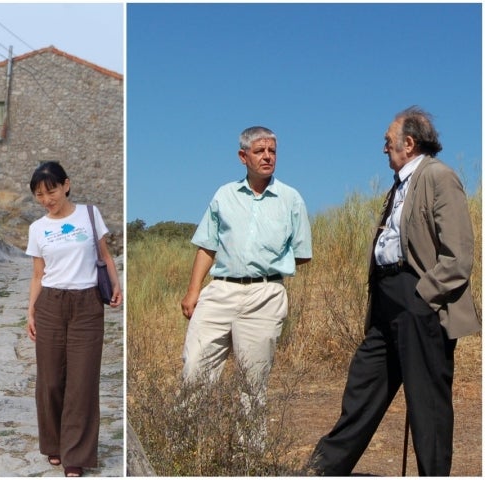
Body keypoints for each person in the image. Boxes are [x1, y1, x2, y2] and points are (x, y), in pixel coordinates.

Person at [308, 107, 480, 476]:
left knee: (427, 403)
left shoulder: (439, 177)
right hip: (386, 300)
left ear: (409, 143)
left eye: (388, 141)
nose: (383, 147)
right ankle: (324, 470)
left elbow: (459, 254)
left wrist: (423, 297)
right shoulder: (399, 185)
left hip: (418, 297)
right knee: (363, 387)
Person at [180, 126, 312, 422]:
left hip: (265, 295)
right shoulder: (224, 195)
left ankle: (248, 458)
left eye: (272, 151)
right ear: (243, 156)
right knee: (194, 369)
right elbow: (206, 246)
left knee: (253, 382)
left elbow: (302, 253)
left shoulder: (291, 199)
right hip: (220, 291)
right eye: (259, 151)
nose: (267, 157)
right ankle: (186, 448)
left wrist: (268, 263)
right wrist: (193, 291)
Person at [25, 161, 122, 477]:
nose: (46, 199)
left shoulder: (90, 215)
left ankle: (75, 455)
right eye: (39, 194)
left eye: (50, 190)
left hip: (87, 304)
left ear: (66, 185)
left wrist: (116, 284)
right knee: (50, 380)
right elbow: (38, 274)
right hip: (51, 303)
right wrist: (31, 311)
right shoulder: (38, 228)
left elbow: (104, 256)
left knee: (82, 381)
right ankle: (53, 443)